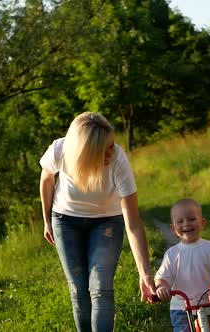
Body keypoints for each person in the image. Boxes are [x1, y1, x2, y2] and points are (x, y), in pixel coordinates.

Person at [39, 112, 155, 331]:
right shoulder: (60, 150)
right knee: (78, 288)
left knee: (101, 286)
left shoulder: (118, 160)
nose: (113, 151)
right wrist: (46, 220)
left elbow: (133, 223)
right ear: (85, 152)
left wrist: (145, 273)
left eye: (112, 144)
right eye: (105, 148)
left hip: (107, 222)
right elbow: (46, 180)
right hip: (65, 221)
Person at [155, 198, 210, 332]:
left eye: (192, 219)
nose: (186, 224)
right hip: (181, 307)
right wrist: (162, 287)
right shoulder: (172, 254)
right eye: (180, 221)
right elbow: (162, 277)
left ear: (202, 223)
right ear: (173, 228)